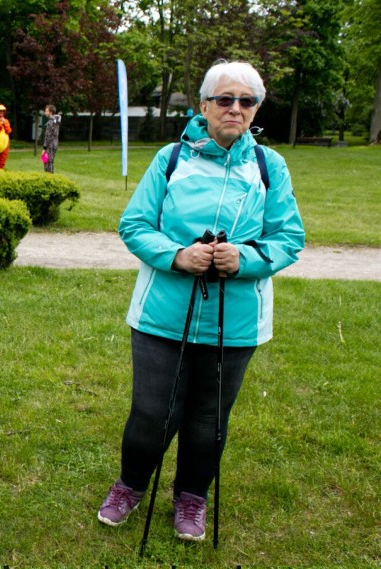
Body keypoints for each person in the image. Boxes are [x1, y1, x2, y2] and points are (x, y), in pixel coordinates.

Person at [97, 60, 304, 542]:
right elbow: (134, 225)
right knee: (152, 413)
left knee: (209, 418)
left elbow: (289, 238)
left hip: (235, 321)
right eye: (225, 99)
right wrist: (177, 255)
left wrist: (246, 259)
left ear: (255, 109)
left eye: (246, 101)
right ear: (205, 105)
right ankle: (130, 485)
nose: (235, 108)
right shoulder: (171, 157)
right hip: (161, 315)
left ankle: (192, 496)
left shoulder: (269, 166)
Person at [42, 105, 61, 173]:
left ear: (50, 112)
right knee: (49, 161)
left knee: (47, 162)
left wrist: (44, 148)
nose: (45, 112)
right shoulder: (55, 121)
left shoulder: (50, 122)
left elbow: (48, 136)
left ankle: (49, 176)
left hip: (50, 145)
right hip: (54, 144)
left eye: (46, 111)